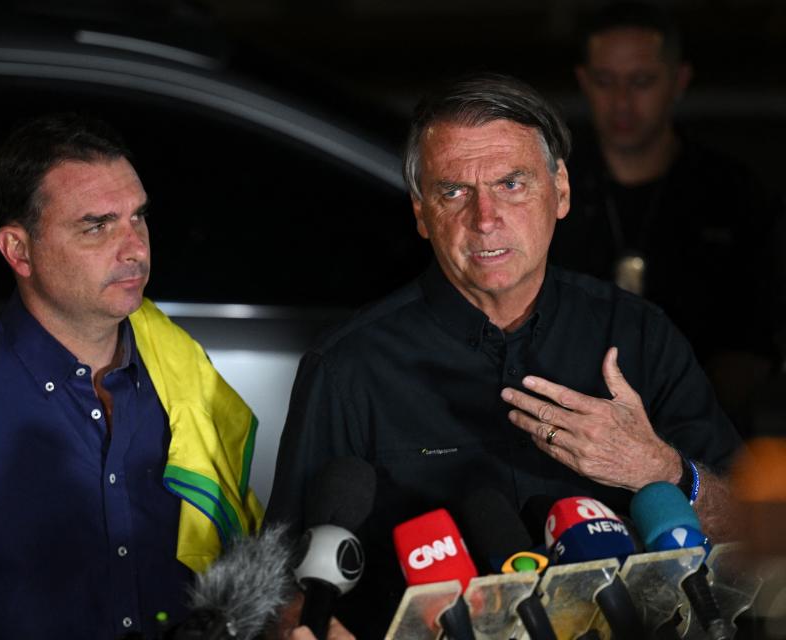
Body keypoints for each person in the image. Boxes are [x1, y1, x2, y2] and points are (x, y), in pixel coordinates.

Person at [266, 73, 743, 639]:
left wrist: (660, 470)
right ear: (421, 213)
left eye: (512, 183)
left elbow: (755, 527)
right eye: (453, 192)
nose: (485, 217)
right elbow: (281, 586)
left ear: (560, 190)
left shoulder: (640, 336)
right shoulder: (347, 368)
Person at [0, 113, 265, 639]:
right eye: (97, 225)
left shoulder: (182, 379)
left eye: (138, 218)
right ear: (19, 250)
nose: (136, 248)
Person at [550, 1, 786, 429]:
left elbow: (754, 338)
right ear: (584, 82)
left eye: (641, 82)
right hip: (571, 423)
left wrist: (690, 421)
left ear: (678, 81)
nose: (622, 102)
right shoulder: (550, 185)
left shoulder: (730, 191)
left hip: (707, 430)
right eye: (605, 81)